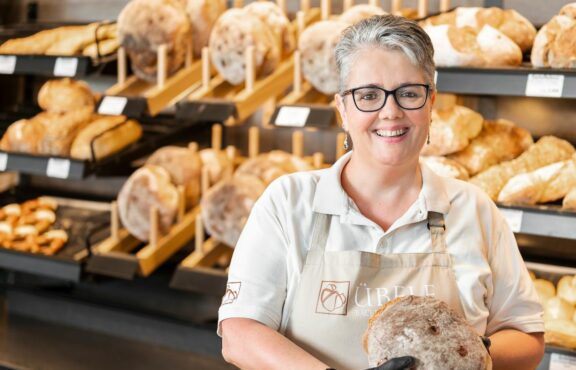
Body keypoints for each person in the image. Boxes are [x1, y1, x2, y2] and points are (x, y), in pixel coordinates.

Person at [219, 14, 544, 370]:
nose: (391, 112)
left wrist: (461, 353)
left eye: (408, 93)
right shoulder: (288, 202)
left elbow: (526, 336)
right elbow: (240, 333)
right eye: (368, 95)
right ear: (342, 108)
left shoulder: (473, 210)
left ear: (431, 103)